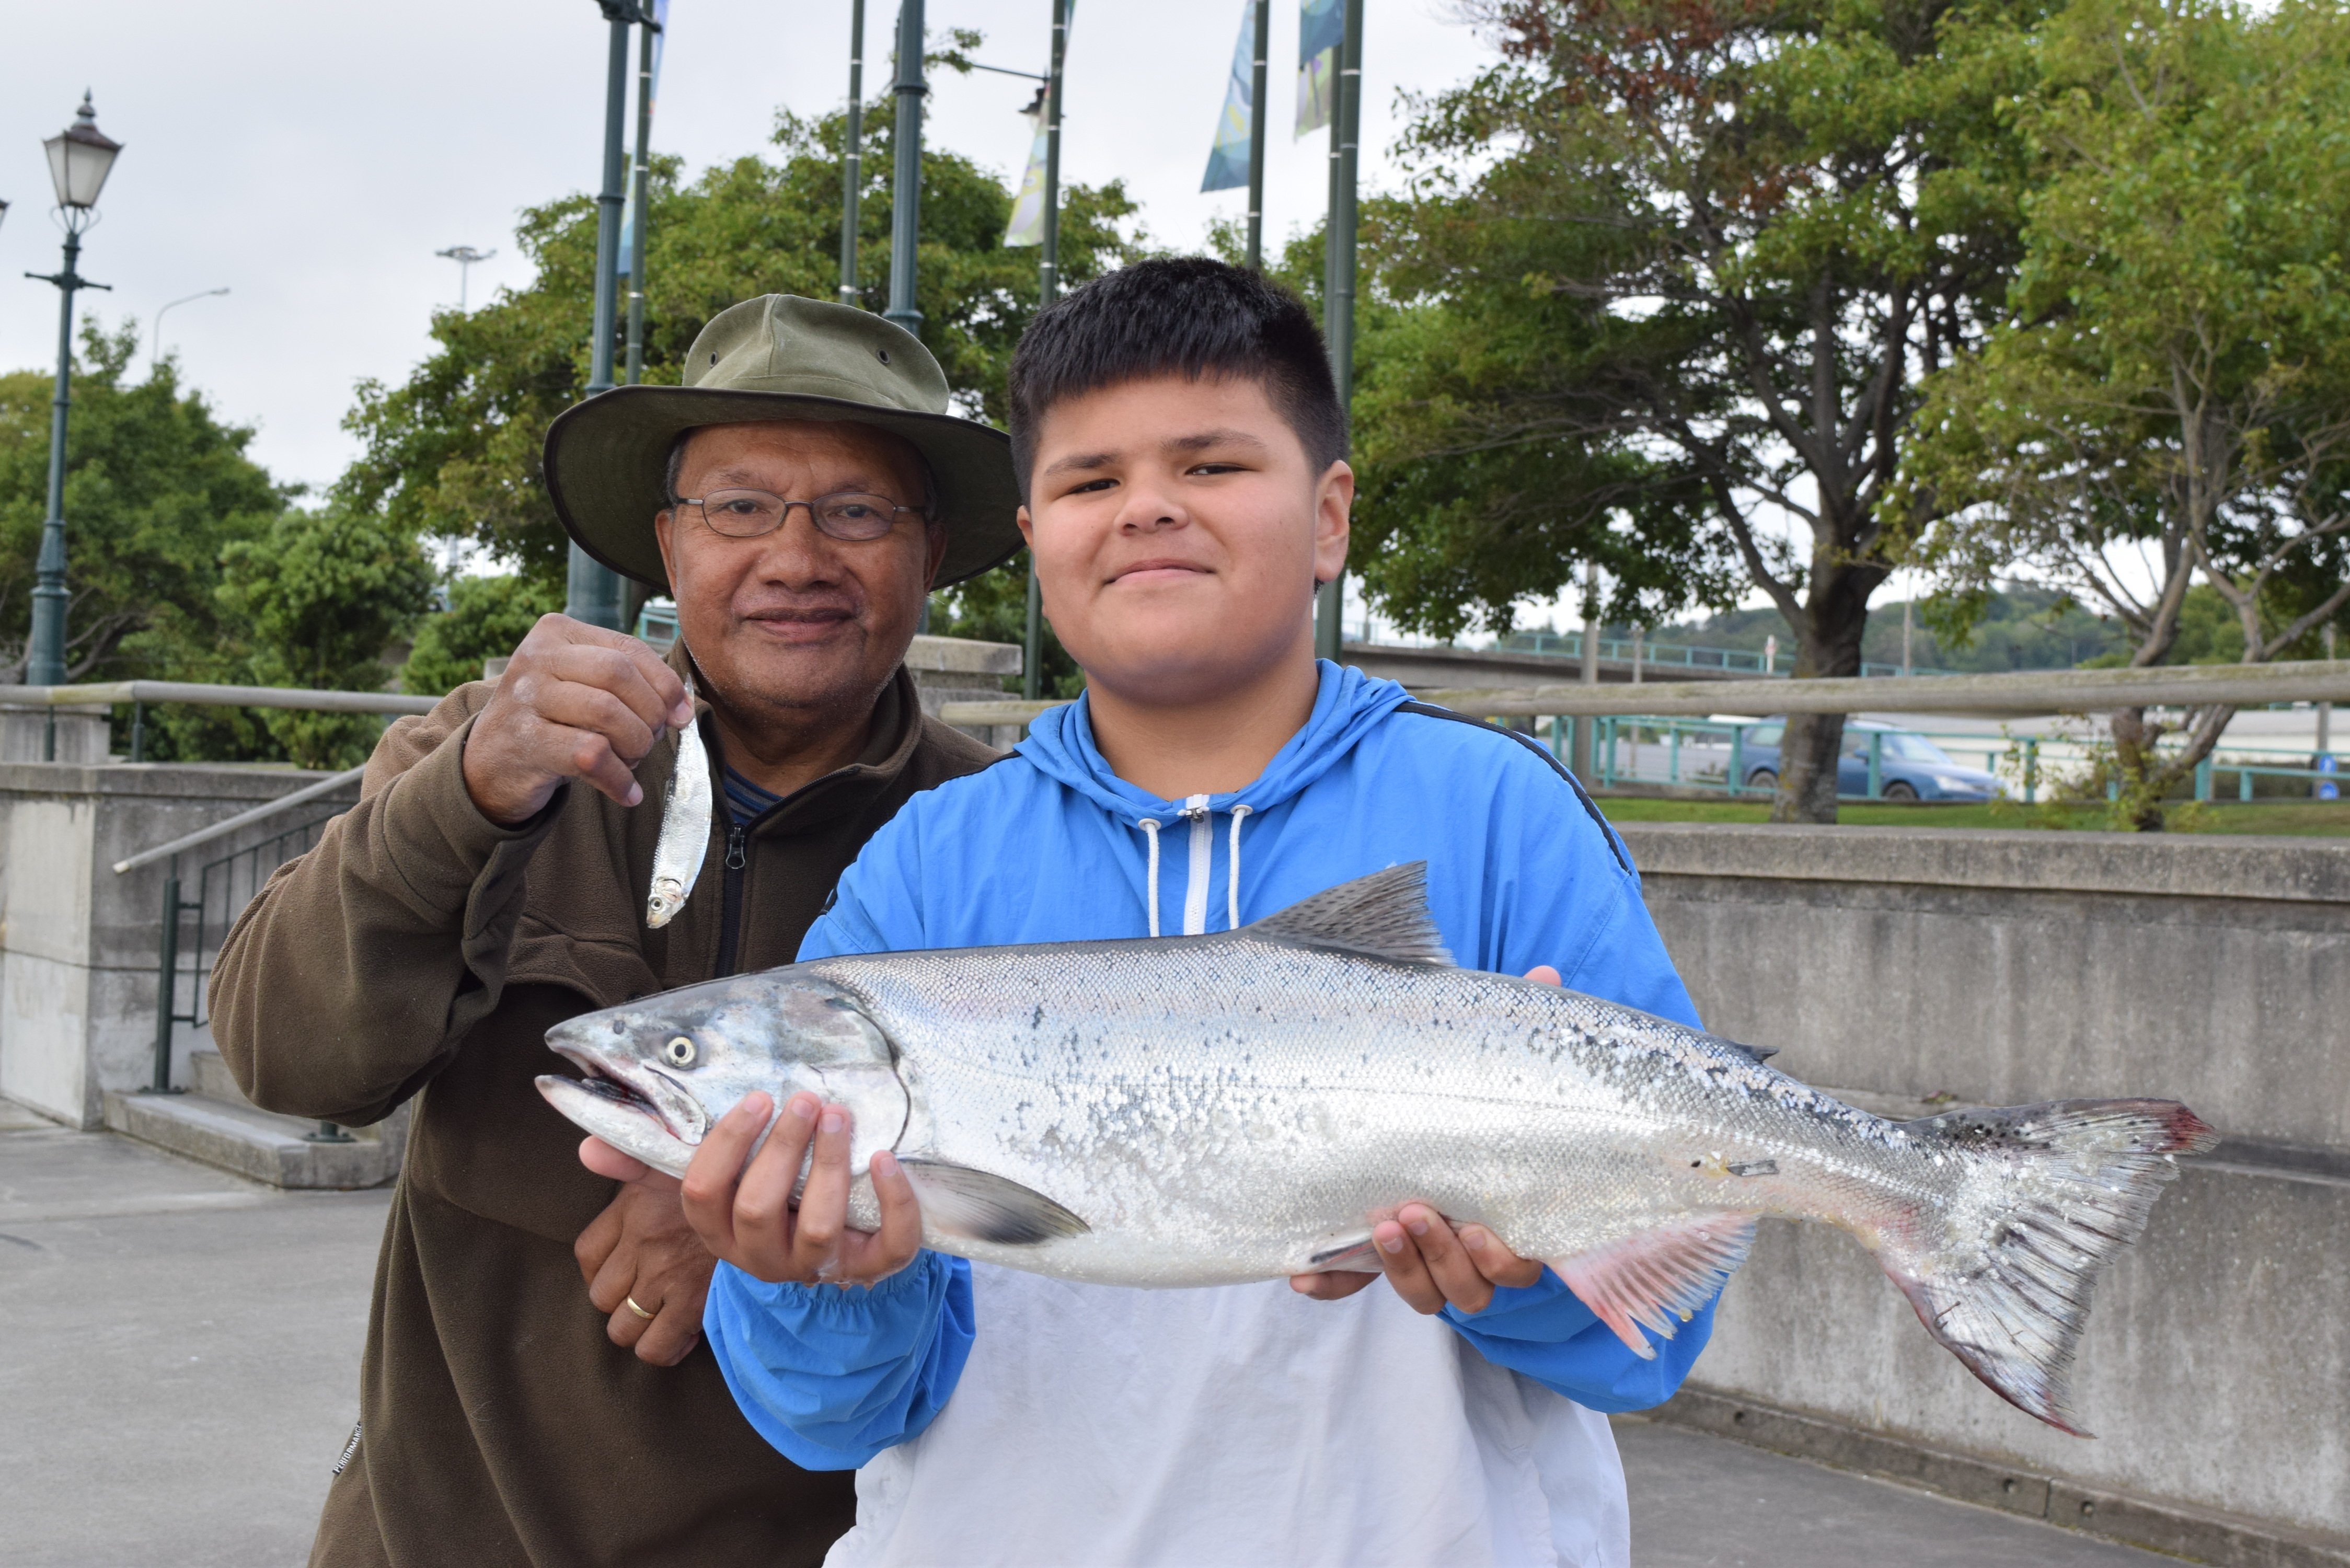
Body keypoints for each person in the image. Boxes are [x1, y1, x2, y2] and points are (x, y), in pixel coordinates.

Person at [650, 259, 1727, 1566]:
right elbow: (837, 1417)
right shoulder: (927, 865)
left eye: (1211, 467)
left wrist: (1532, 1274)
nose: (1146, 509)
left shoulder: (1500, 814)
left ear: (1328, 516)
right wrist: (809, 1273)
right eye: (1090, 482)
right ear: (1034, 535)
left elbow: (1651, 1342)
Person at [209, 294, 1026, 1568]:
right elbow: (285, 1059)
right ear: (667, 544)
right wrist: (466, 795)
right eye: (739, 506)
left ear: (929, 555)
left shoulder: (994, 833)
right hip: (438, 1534)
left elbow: (1069, 1237)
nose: (796, 556)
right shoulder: (495, 754)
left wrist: (744, 1227)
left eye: (857, 511)